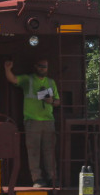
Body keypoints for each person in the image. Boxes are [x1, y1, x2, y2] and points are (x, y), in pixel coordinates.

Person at [5, 58, 59, 187]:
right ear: (36, 67)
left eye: (45, 66)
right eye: (40, 66)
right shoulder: (28, 80)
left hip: (48, 121)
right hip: (32, 121)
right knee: (33, 151)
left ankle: (52, 178)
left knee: (49, 151)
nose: (42, 68)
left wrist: (50, 101)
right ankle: (37, 179)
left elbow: (58, 101)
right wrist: (7, 69)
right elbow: (12, 79)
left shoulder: (51, 82)